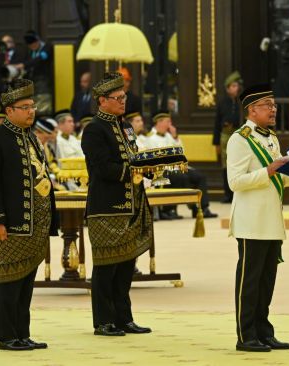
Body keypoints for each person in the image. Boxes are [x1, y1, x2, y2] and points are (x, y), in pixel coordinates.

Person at [227, 84, 289, 352]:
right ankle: (246, 335)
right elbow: (235, 182)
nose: (273, 109)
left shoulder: (271, 138)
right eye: (267, 105)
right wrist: (268, 170)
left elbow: (279, 177)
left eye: (273, 104)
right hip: (251, 222)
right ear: (252, 110)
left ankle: (264, 331)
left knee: (266, 281)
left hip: (271, 220)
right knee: (250, 281)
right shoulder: (240, 139)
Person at [0, 78, 58, 351]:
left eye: (32, 106)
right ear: (9, 110)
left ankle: (22, 333)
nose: (31, 111)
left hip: (35, 224)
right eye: (25, 107)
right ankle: (6, 336)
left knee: (26, 284)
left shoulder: (32, 138)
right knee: (8, 282)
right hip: (10, 225)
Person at [81, 71, 152, 336]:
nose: (123, 101)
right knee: (105, 267)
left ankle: (124, 318)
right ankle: (103, 321)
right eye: (117, 97)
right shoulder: (94, 129)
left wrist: (147, 167)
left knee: (125, 266)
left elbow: (133, 158)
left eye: (124, 97)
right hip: (106, 208)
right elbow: (101, 168)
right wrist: (133, 170)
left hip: (132, 205)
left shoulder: (126, 127)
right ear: (102, 100)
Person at [146, 111, 218, 219]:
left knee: (199, 176)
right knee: (180, 177)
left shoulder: (169, 136)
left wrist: (175, 137)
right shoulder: (150, 138)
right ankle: (169, 209)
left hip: (177, 167)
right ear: (159, 122)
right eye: (168, 122)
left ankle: (201, 208)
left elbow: (181, 153)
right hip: (161, 170)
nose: (170, 125)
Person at [213, 71, 243, 203]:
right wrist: (216, 143)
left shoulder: (241, 102)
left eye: (237, 86)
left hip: (238, 135)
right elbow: (216, 123)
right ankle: (227, 194)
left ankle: (238, 194)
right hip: (225, 136)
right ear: (227, 88)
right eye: (233, 86)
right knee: (226, 166)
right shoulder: (222, 103)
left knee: (238, 164)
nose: (236, 88)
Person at [14, 31, 53, 115]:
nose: (32, 47)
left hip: (43, 83)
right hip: (32, 84)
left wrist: (24, 65)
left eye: (34, 44)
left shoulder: (47, 47)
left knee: (43, 107)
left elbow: (39, 59)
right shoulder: (29, 51)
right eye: (30, 45)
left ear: (38, 41)